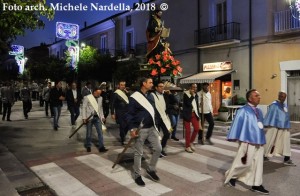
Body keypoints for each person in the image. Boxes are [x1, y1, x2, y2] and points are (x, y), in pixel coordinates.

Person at [224, 89, 269, 195]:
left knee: (258, 164)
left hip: (258, 141)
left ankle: (256, 184)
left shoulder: (259, 111)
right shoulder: (243, 110)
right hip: (247, 140)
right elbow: (236, 124)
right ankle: (232, 176)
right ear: (250, 98)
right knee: (245, 163)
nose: (259, 97)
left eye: (259, 95)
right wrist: (234, 136)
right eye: (256, 95)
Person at [126, 77, 162, 186]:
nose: (152, 84)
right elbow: (128, 114)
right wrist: (132, 129)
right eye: (150, 82)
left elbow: (154, 111)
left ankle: (151, 169)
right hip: (140, 129)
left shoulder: (150, 96)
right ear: (144, 83)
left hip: (151, 128)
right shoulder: (134, 97)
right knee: (139, 153)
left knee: (158, 149)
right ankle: (137, 175)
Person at [264, 91, 296, 166]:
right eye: (282, 96)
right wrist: (267, 123)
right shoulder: (274, 105)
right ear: (278, 96)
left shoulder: (284, 105)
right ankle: (263, 155)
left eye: (284, 97)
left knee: (286, 142)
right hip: (274, 126)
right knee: (269, 140)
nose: (283, 98)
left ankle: (287, 158)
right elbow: (270, 114)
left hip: (284, 127)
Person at [82, 87, 108, 153]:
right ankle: (88, 145)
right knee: (89, 133)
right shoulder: (87, 97)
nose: (99, 94)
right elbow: (84, 108)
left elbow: (100, 108)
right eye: (98, 93)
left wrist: (102, 116)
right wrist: (84, 118)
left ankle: (101, 147)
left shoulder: (100, 98)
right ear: (94, 92)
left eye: (100, 93)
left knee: (100, 132)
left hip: (97, 118)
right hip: (89, 118)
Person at [152, 82, 172, 157]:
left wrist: (170, 94)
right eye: (160, 86)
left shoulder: (165, 95)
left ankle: (162, 147)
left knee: (167, 133)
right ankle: (158, 150)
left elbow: (174, 101)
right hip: (156, 118)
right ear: (156, 88)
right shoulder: (152, 95)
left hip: (164, 117)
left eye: (163, 86)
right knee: (157, 135)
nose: (162, 88)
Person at [182, 83, 201, 153]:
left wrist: (198, 115)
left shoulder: (196, 95)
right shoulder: (186, 94)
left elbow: (196, 106)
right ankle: (187, 146)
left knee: (196, 128)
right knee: (188, 131)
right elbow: (188, 103)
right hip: (187, 114)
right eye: (193, 87)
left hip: (194, 113)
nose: (194, 89)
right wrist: (192, 96)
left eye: (196, 87)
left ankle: (191, 142)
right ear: (190, 87)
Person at [110, 80, 130, 145]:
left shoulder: (126, 93)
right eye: (121, 85)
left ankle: (123, 134)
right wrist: (112, 113)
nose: (123, 86)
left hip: (127, 111)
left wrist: (128, 94)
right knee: (122, 125)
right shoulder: (115, 93)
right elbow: (112, 104)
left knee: (127, 126)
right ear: (119, 85)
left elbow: (129, 101)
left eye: (124, 85)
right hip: (119, 112)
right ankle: (122, 138)